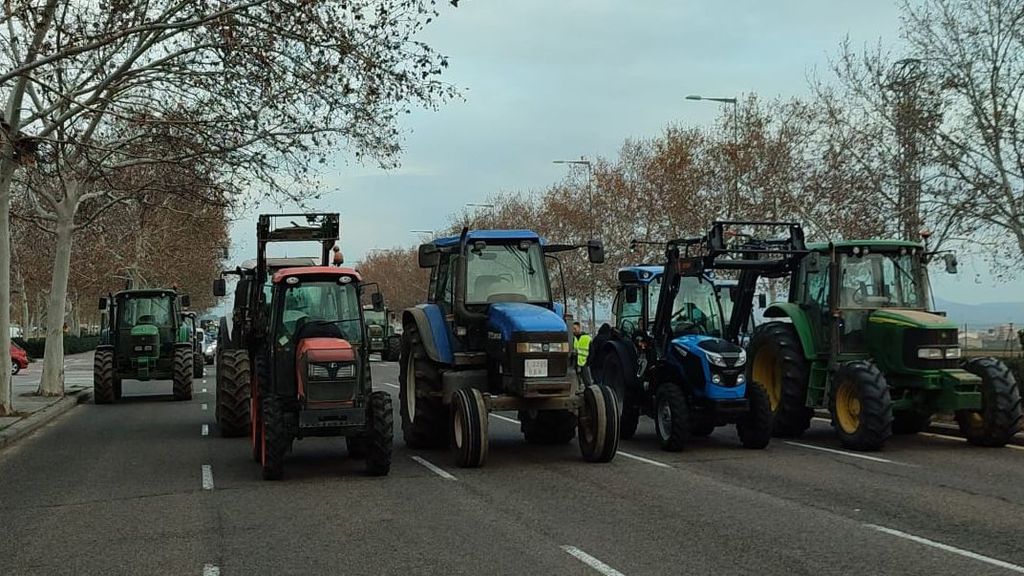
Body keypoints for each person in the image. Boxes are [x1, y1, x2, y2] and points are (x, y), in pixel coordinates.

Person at [572, 321, 592, 386]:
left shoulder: (587, 338)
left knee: (587, 379)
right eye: (573, 329)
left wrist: (588, 361)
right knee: (577, 379)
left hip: (585, 362)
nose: (574, 330)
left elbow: (592, 351)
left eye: (575, 328)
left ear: (579, 328)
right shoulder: (573, 338)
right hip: (576, 362)